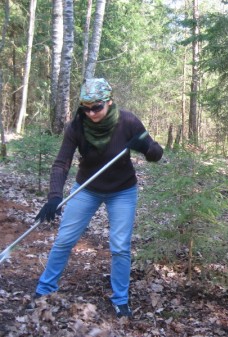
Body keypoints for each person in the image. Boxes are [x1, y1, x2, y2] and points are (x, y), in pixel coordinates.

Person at [34, 78, 163, 318]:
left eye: (97, 107)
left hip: (123, 191)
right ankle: (44, 289)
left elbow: (157, 154)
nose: (91, 113)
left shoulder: (128, 121)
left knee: (120, 247)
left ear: (109, 101)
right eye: (86, 107)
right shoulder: (76, 126)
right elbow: (62, 162)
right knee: (64, 240)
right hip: (87, 188)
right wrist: (54, 196)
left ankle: (121, 300)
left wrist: (143, 145)